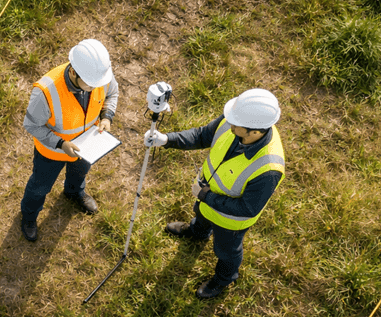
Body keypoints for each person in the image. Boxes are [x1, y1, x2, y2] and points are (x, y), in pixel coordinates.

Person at [145, 89, 284, 299]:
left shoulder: (268, 168)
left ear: (255, 132)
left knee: (227, 252)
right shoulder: (235, 120)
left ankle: (224, 278)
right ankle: (197, 232)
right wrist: (167, 140)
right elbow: (202, 135)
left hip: (230, 222)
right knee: (200, 215)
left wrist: (206, 196)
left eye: (236, 125)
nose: (229, 124)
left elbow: (247, 208)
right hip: (206, 198)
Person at [20, 39, 119, 242]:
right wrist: (61, 144)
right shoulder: (45, 92)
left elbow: (112, 93)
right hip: (52, 152)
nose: (95, 88)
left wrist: (107, 116)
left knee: (80, 173)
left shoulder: (98, 75)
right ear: (73, 72)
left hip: (86, 146)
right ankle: (29, 217)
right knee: (40, 187)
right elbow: (31, 125)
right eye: (91, 85)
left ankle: (74, 193)